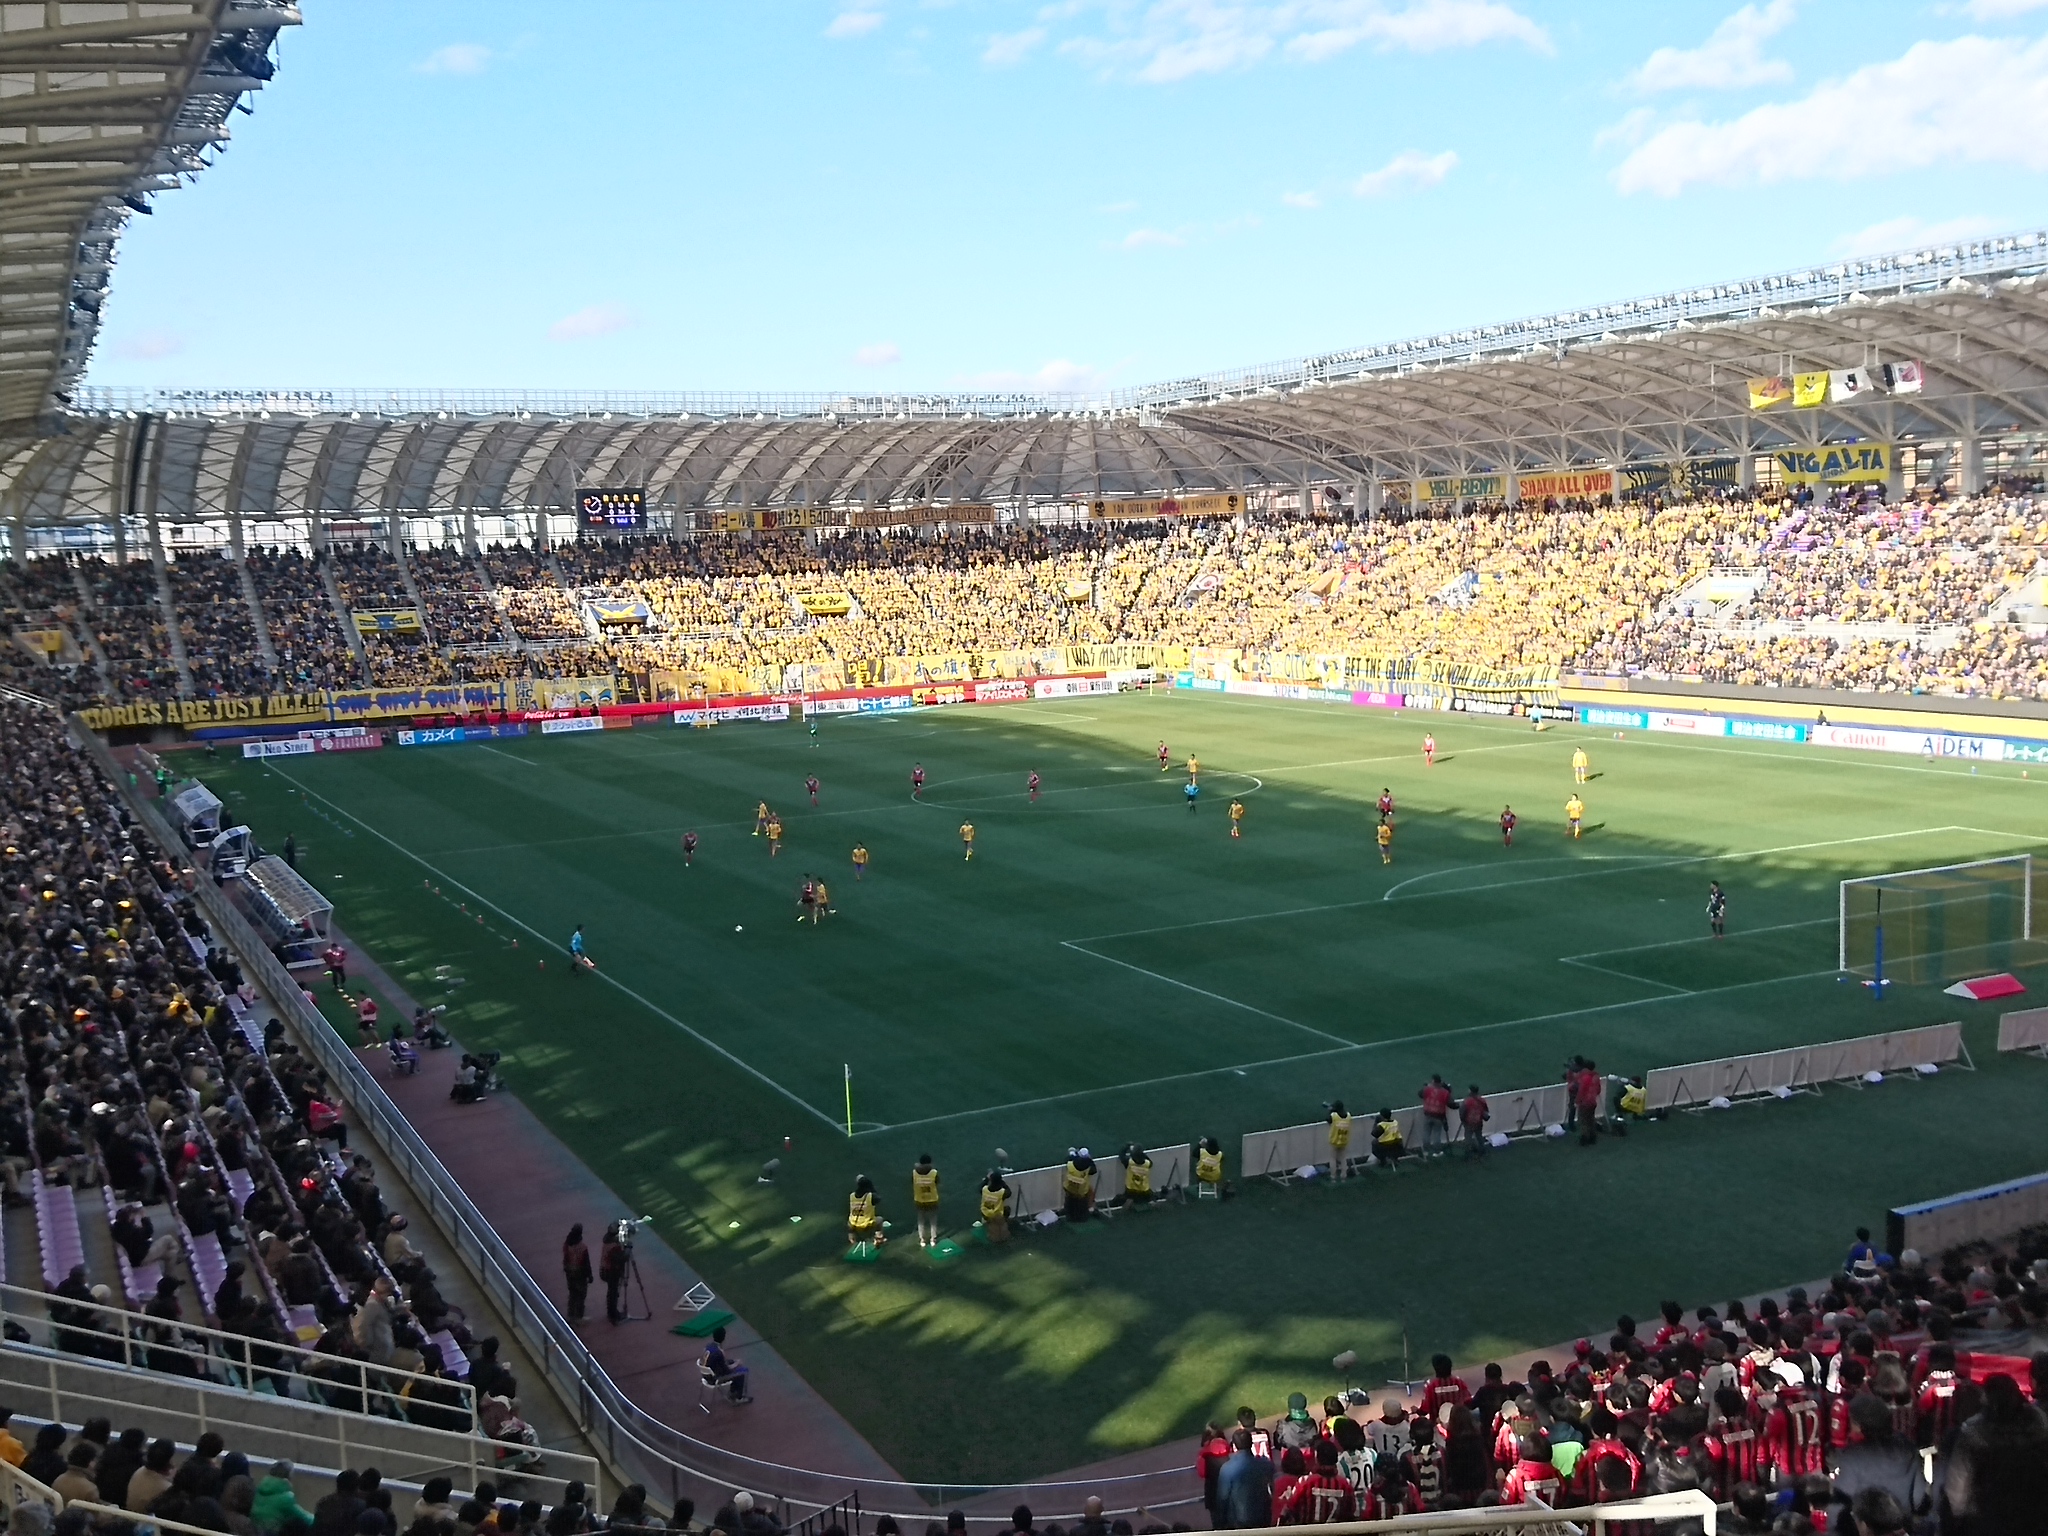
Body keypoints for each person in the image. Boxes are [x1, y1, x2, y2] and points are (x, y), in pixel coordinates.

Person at [1215, 1430, 1273, 1530]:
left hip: (1239, 1521)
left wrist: (1222, 1523)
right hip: (1263, 1518)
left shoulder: (1227, 1469)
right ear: (1251, 1443)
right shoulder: (1265, 1464)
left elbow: (1223, 1499)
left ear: (1234, 1446)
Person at [702, 1326, 751, 1404]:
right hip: (714, 1378)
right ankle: (739, 1397)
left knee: (735, 1368)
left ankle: (733, 1392)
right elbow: (727, 1369)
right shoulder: (719, 1352)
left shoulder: (708, 1346)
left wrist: (732, 1361)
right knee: (742, 1371)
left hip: (706, 1375)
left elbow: (719, 1362)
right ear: (723, 1337)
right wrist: (736, 1363)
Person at [562, 1224, 592, 1323]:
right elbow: (586, 1263)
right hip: (580, 1274)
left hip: (569, 1272)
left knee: (572, 1294)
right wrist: (589, 1275)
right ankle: (579, 1316)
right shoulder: (582, 1247)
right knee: (581, 1295)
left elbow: (565, 1258)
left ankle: (570, 1314)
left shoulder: (567, 1244)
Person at [599, 1223, 628, 1325]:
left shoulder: (607, 1242)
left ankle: (612, 1313)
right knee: (613, 1293)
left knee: (611, 1293)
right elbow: (621, 1259)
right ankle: (613, 1315)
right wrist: (627, 1250)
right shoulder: (614, 1246)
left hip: (605, 1270)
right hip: (612, 1271)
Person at [911, 1155, 941, 1247]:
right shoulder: (934, 1173)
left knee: (921, 1220)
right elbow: (938, 1182)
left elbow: (912, 1182)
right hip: (932, 1200)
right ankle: (933, 1239)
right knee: (933, 1220)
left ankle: (922, 1240)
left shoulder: (914, 1172)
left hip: (919, 1200)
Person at [1419, 1074, 1452, 1156]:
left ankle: (1425, 1151)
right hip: (1439, 1116)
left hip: (1428, 1114)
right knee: (1437, 1134)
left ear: (1433, 1080)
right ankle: (1436, 1151)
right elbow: (1450, 1103)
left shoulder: (1427, 1089)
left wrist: (1425, 1087)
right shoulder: (1444, 1092)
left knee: (1426, 1133)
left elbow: (1420, 1094)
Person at [1061, 1149, 1097, 1222]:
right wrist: (1090, 1160)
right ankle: (1081, 1217)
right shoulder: (1088, 1167)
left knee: (1070, 1202)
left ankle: (1069, 1216)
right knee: (1082, 1203)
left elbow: (1069, 1159)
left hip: (1069, 1187)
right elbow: (1094, 1170)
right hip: (1082, 1191)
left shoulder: (1070, 1164)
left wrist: (1073, 1155)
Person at [847, 1175, 882, 1248]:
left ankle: (852, 1240)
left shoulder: (852, 1195)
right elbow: (879, 1199)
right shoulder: (871, 1196)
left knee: (849, 1222)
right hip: (867, 1224)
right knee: (879, 1220)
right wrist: (872, 1188)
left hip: (853, 1224)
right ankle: (878, 1239)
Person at [979, 1170, 1012, 1244]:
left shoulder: (984, 1189)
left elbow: (980, 1187)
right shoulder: (1002, 1192)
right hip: (997, 1215)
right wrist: (1002, 1182)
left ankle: (990, 1226)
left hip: (985, 1214)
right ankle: (1002, 1227)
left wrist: (987, 1179)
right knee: (1007, 1209)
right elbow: (1009, 1192)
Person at [1326, 1101, 1353, 1180]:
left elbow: (1328, 1120)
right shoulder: (1348, 1116)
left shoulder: (1333, 1116)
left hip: (1334, 1140)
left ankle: (1333, 1176)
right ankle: (1344, 1175)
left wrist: (1330, 1111)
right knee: (1343, 1158)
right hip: (1344, 1140)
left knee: (1333, 1159)